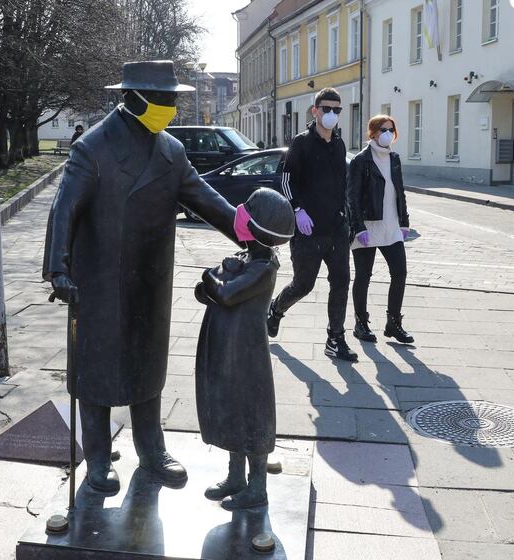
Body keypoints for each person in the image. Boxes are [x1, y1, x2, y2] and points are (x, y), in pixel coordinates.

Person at [43, 61, 239, 495]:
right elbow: (64, 208)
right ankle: (96, 456)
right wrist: (58, 268)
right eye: (164, 100)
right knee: (96, 369)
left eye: (173, 100)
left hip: (149, 277)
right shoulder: (93, 147)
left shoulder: (171, 150)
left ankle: (151, 450)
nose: (170, 108)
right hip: (99, 276)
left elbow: (204, 199)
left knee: (147, 364)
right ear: (132, 98)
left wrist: (248, 230)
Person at [194, 188, 295, 510]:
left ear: (254, 228)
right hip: (226, 350)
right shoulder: (247, 259)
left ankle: (257, 487)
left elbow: (224, 294)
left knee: (250, 416)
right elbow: (209, 293)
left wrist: (211, 278)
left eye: (246, 212)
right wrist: (212, 283)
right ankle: (235, 477)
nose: (239, 213)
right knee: (229, 412)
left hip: (246, 356)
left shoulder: (264, 268)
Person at [266, 87, 357, 361]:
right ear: (315, 111)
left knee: (341, 281)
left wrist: (348, 219)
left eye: (336, 110)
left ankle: (335, 338)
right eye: (326, 109)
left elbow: (343, 185)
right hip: (307, 232)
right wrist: (297, 210)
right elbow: (285, 180)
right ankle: (276, 309)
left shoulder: (339, 144)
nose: (331, 114)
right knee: (303, 285)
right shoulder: (301, 143)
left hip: (336, 230)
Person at [347, 114, 414, 344]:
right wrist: (357, 227)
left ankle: (393, 322)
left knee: (400, 272)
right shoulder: (360, 160)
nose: (388, 133)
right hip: (367, 227)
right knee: (363, 276)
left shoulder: (394, 158)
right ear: (373, 132)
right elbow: (352, 197)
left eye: (391, 130)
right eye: (384, 129)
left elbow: (400, 191)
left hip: (391, 225)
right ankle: (360, 323)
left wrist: (404, 221)